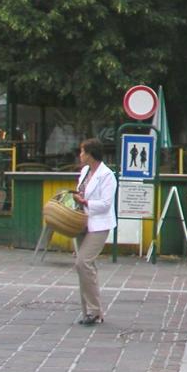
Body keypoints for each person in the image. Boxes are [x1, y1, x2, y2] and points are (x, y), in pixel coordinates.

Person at [71, 138, 117, 326]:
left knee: (83, 262)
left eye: (82, 152)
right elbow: (81, 191)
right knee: (85, 267)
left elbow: (106, 204)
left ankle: (94, 310)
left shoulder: (107, 175)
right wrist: (78, 198)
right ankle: (89, 311)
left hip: (99, 224)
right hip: (83, 222)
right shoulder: (84, 172)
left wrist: (86, 202)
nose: (80, 155)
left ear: (90, 154)